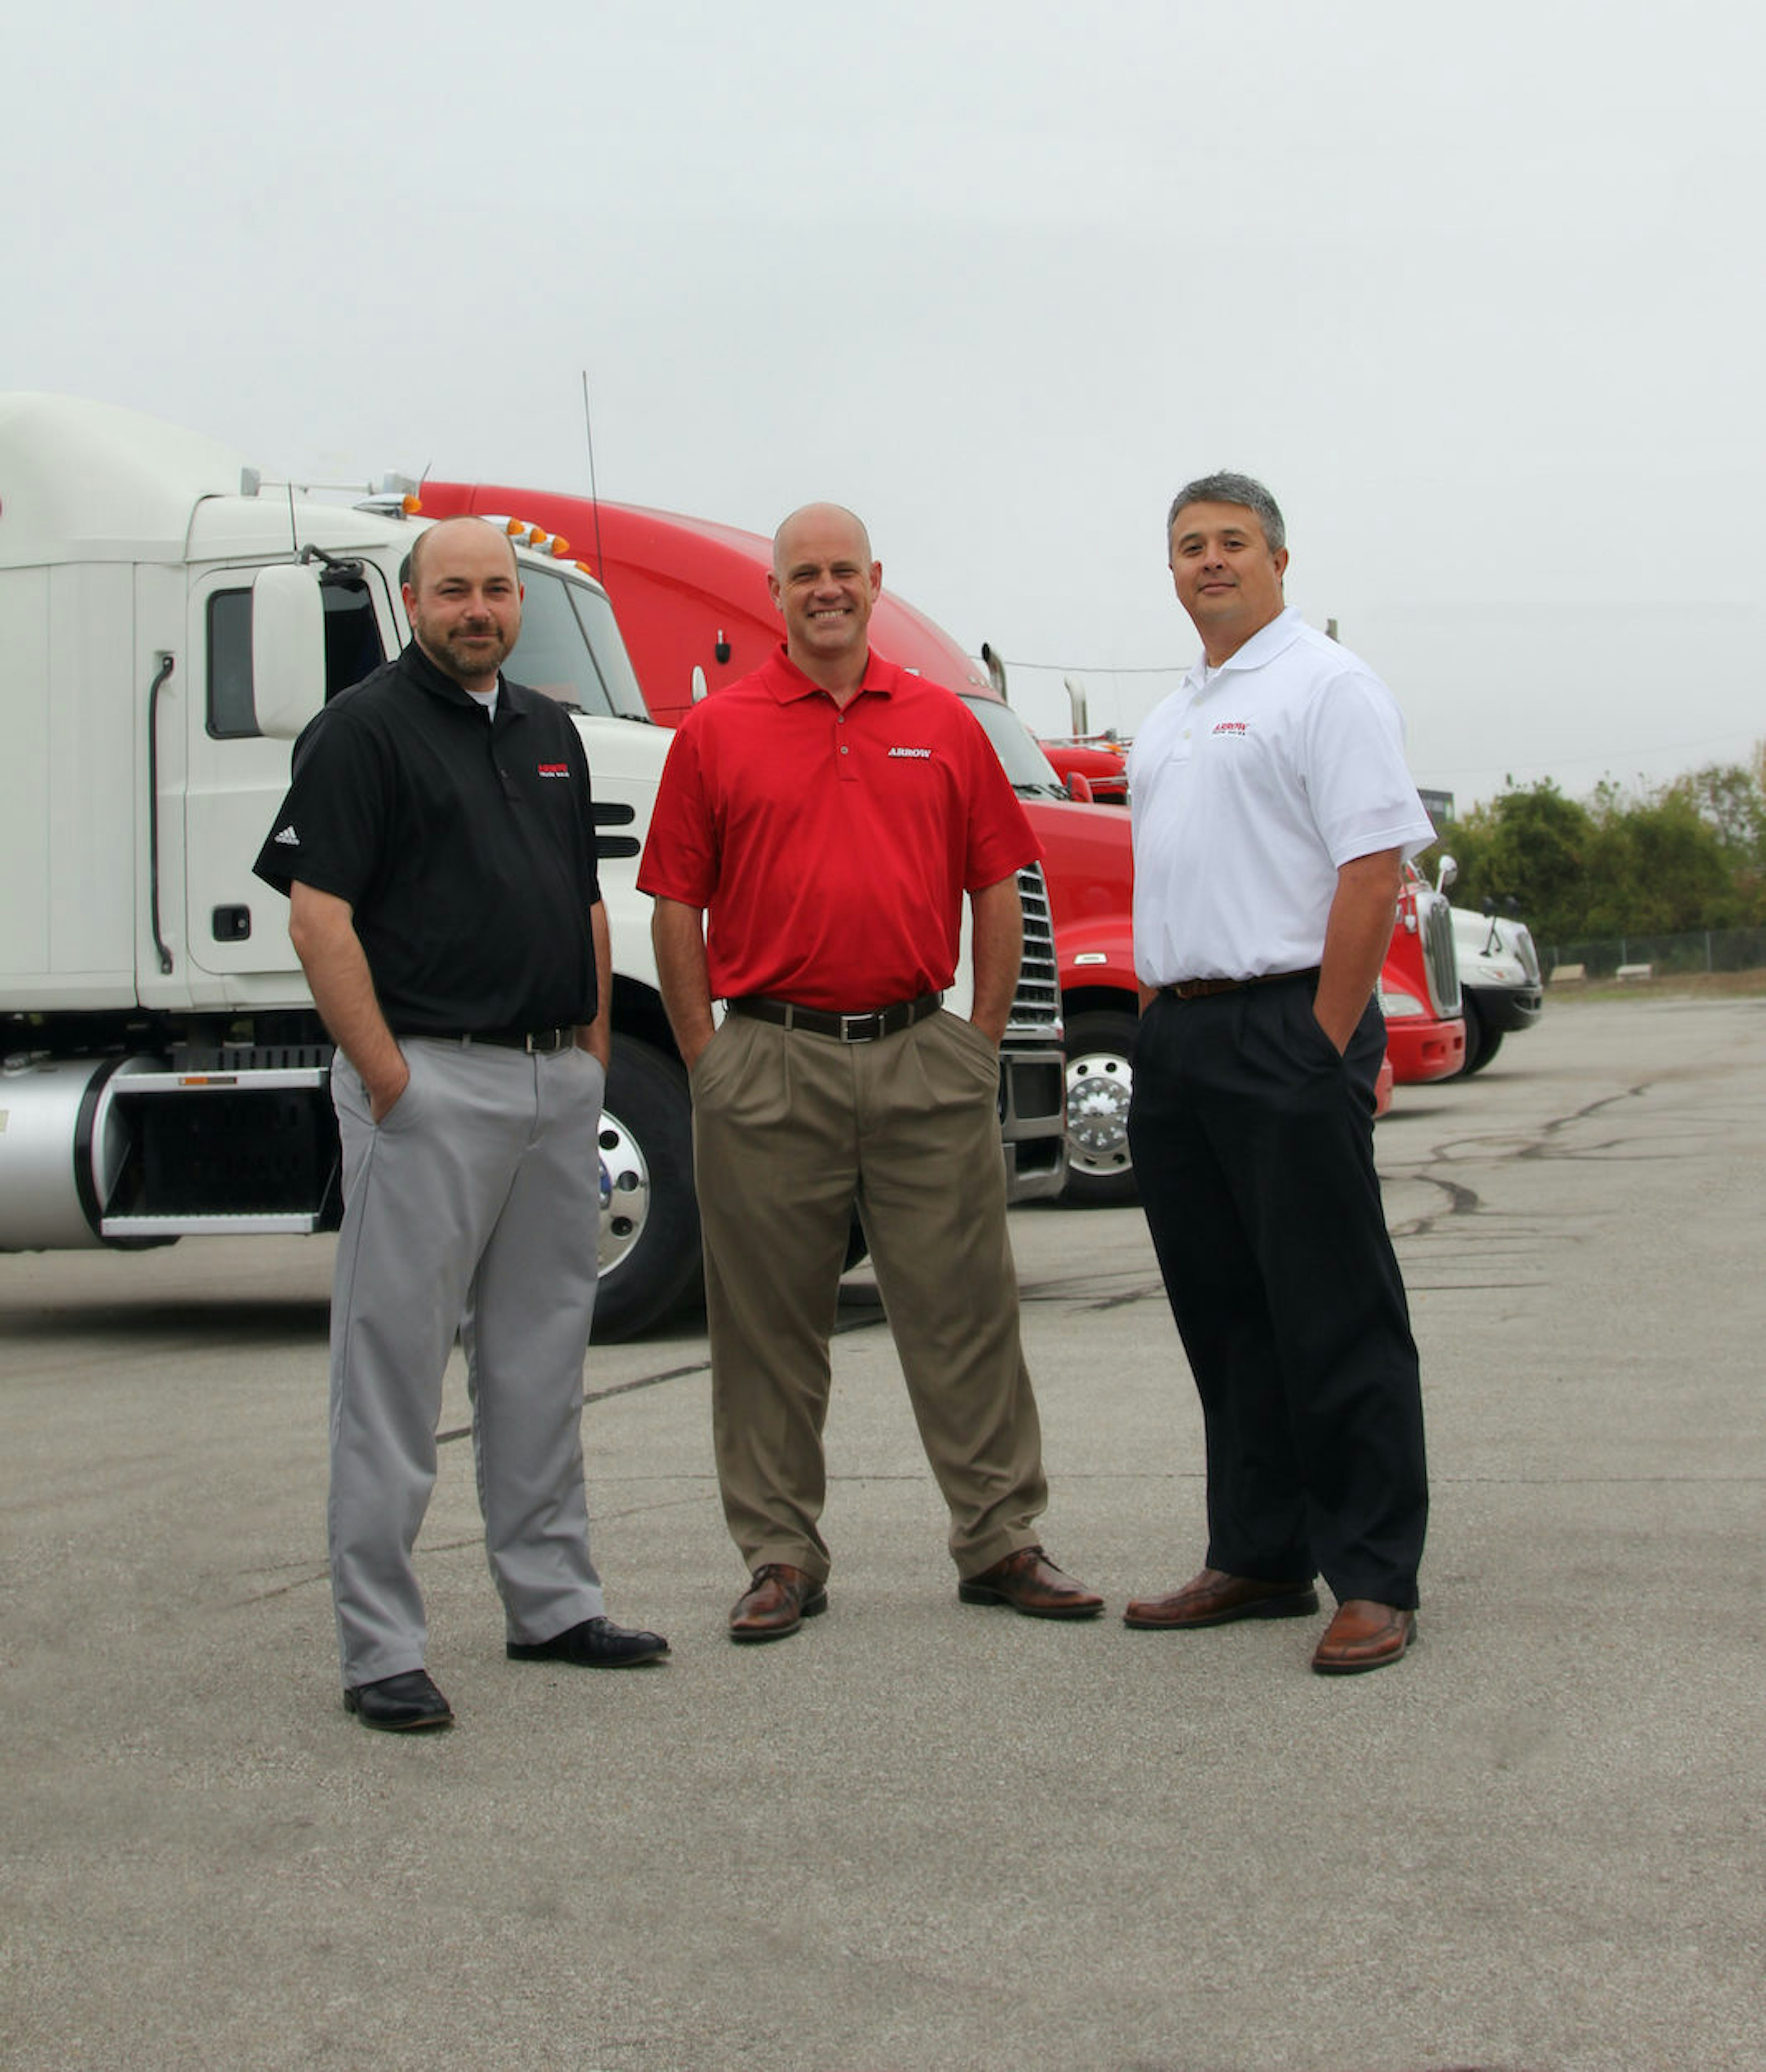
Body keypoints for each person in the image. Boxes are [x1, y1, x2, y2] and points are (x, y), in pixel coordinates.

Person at [638, 502, 1101, 1640]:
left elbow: (998, 887)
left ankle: (1000, 1540)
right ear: (776, 594)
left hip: (919, 1058)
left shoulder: (943, 725)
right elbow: (675, 905)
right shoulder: (716, 733)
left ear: (876, 581)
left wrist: (976, 1039)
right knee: (765, 1330)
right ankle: (780, 1556)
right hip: (768, 1063)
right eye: (806, 573)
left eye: (846, 570)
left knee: (968, 1313)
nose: (827, 588)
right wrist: (707, 1060)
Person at [254, 515, 667, 1732]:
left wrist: (590, 1057)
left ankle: (552, 1604)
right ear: (414, 600)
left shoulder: (550, 733)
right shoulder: (360, 732)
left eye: (497, 590)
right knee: (392, 1372)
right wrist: (390, 1081)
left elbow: (585, 904)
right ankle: (381, 1646)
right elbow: (319, 921)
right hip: (431, 1085)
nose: (478, 608)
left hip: (555, 1090)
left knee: (542, 1356)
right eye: (454, 590)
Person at [1123, 473, 1434, 1675]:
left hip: (1287, 1028)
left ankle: (1373, 1575)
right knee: (1230, 1317)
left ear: (1280, 560)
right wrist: (1160, 1022)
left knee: (1333, 1311)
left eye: (1233, 543)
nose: (1211, 561)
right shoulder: (1171, 718)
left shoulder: (1327, 687)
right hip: (1184, 1042)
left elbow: (1372, 869)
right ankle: (1257, 1554)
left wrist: (1328, 1037)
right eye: (1191, 545)